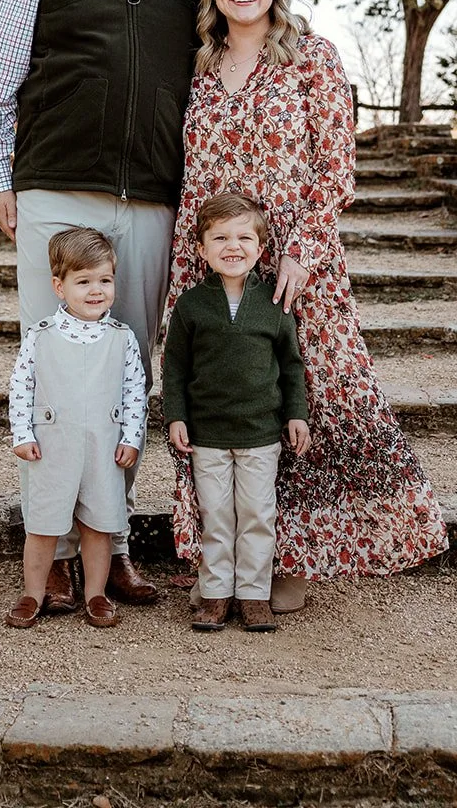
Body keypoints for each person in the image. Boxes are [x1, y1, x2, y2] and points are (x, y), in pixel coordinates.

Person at [164, 0, 449, 614]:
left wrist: (301, 251)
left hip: (294, 257)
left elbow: (334, 168)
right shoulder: (196, 64)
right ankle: (222, 561)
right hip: (203, 256)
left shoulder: (311, 56)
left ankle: (291, 558)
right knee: (216, 399)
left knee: (304, 399)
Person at [0, 0, 205, 612]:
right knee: (55, 375)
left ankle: (112, 542)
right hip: (54, 190)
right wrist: (0, 176)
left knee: (121, 375)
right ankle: (56, 549)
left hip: (151, 197)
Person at [162, 192, 310, 632]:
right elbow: (174, 366)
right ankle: (215, 593)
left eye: (245, 237)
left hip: (261, 435)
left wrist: (296, 415)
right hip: (206, 435)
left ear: (261, 249)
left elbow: (291, 365)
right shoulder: (190, 306)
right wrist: (176, 416)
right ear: (202, 250)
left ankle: (253, 595)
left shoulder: (274, 303)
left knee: (257, 516)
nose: (233, 246)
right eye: (220, 237)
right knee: (217, 518)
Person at [5, 228, 146, 628]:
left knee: (99, 525)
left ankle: (96, 594)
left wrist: (131, 437)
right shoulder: (41, 336)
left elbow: (135, 391)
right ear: (59, 286)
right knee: (44, 524)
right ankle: (33, 593)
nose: (96, 290)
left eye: (104, 280)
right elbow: (21, 386)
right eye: (83, 282)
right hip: (53, 444)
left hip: (104, 445)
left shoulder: (122, 338)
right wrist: (23, 434)